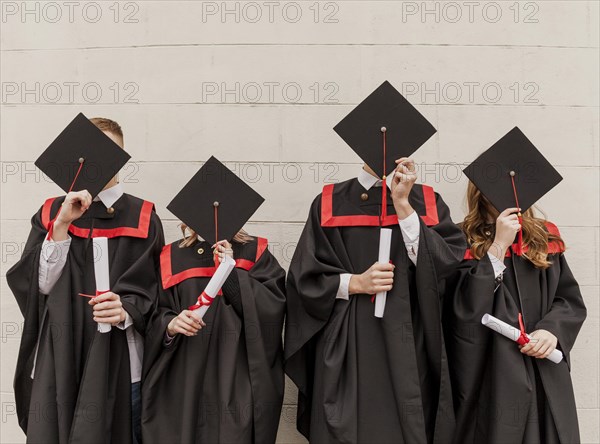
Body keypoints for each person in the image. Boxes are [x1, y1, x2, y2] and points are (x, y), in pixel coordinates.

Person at [284, 81, 466, 444]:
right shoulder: (331, 201)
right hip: (350, 338)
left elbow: (447, 265)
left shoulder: (427, 201)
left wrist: (403, 206)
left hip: (411, 336)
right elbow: (303, 278)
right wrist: (355, 282)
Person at [7, 114, 164, 443]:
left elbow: (157, 290)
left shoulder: (144, 216)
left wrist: (126, 309)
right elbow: (38, 288)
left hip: (122, 360)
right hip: (60, 354)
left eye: (110, 151)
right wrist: (61, 226)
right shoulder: (52, 212)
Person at [445, 127, 587, 444]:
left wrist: (551, 332)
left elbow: (569, 300)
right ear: (482, 193)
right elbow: (462, 309)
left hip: (544, 368)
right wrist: (497, 247)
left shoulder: (544, 237)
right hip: (493, 372)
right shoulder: (460, 238)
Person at [141, 156, 286, 444]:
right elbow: (153, 315)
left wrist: (232, 274)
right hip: (183, 378)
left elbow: (273, 309)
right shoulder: (172, 257)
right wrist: (171, 324)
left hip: (238, 379)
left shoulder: (255, 253)